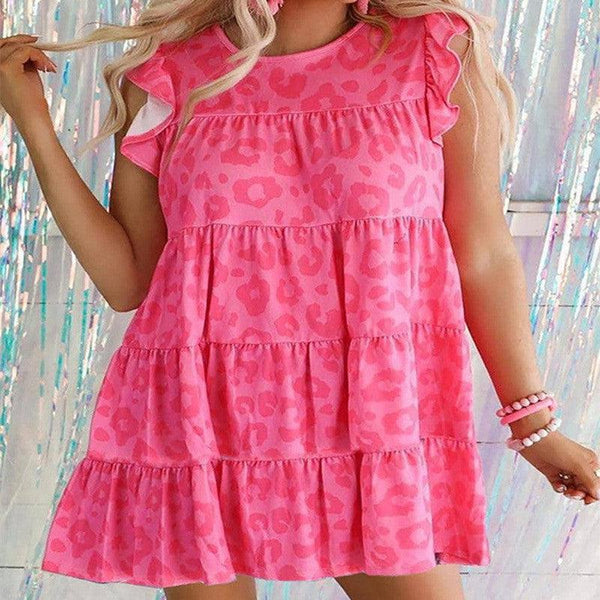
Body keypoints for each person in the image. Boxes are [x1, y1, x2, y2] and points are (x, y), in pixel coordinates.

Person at [1, 1, 599, 599]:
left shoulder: (434, 52)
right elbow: (129, 280)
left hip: (370, 417)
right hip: (202, 412)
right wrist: (34, 124)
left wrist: (534, 425)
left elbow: (482, 249)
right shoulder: (168, 71)